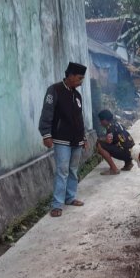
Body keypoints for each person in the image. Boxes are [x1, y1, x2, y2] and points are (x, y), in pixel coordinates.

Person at [38, 62, 88, 217]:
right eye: (79, 78)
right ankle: (57, 204)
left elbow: (80, 118)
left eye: (82, 79)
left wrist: (84, 137)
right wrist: (46, 134)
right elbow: (47, 113)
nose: (81, 82)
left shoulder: (77, 95)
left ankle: (70, 197)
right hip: (61, 139)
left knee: (73, 170)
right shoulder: (55, 90)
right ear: (70, 76)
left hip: (77, 140)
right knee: (62, 171)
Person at [96, 109, 135, 175]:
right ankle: (128, 163)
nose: (100, 123)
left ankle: (114, 169)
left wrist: (100, 139)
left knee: (99, 145)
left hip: (126, 152)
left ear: (105, 120)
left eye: (101, 120)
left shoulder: (110, 127)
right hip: (132, 152)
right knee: (122, 143)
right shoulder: (117, 123)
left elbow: (108, 141)